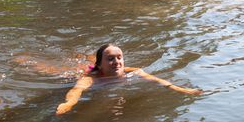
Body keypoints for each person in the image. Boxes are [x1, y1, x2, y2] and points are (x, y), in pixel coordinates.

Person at [56, 44, 202, 115]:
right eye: (111, 59)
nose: (117, 62)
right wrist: (69, 103)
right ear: (100, 65)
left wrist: (182, 89)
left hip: (99, 66)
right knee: (55, 71)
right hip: (81, 72)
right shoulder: (90, 79)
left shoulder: (134, 71)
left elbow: (158, 81)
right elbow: (76, 90)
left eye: (119, 57)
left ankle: (89, 56)